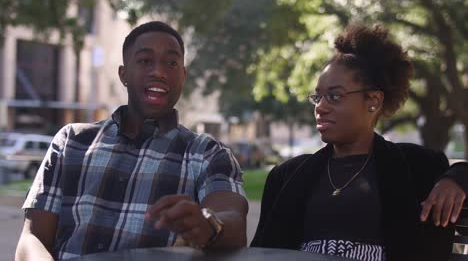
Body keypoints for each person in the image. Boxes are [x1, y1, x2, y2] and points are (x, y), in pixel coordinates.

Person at [15, 21, 248, 260]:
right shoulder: (71, 142)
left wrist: (208, 224)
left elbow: (235, 223)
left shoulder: (209, 154)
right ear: (123, 74)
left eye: (171, 63)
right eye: (146, 61)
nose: (159, 72)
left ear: (183, 75)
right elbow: (31, 238)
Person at [251, 24, 468, 261]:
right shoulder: (286, 176)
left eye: (334, 96)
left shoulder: (418, 166)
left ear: (373, 100)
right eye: (318, 97)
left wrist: (457, 178)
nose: (320, 107)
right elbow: (261, 252)